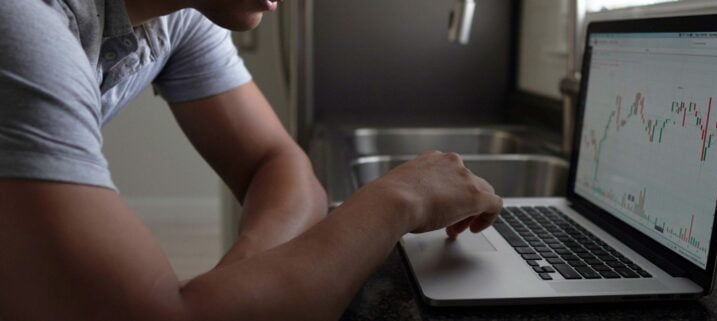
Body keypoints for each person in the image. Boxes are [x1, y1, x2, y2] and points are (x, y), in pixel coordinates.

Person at [0, 0, 503, 320]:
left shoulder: (179, 16)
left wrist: (236, 283)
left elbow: (278, 162)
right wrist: (400, 199)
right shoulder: (22, 26)